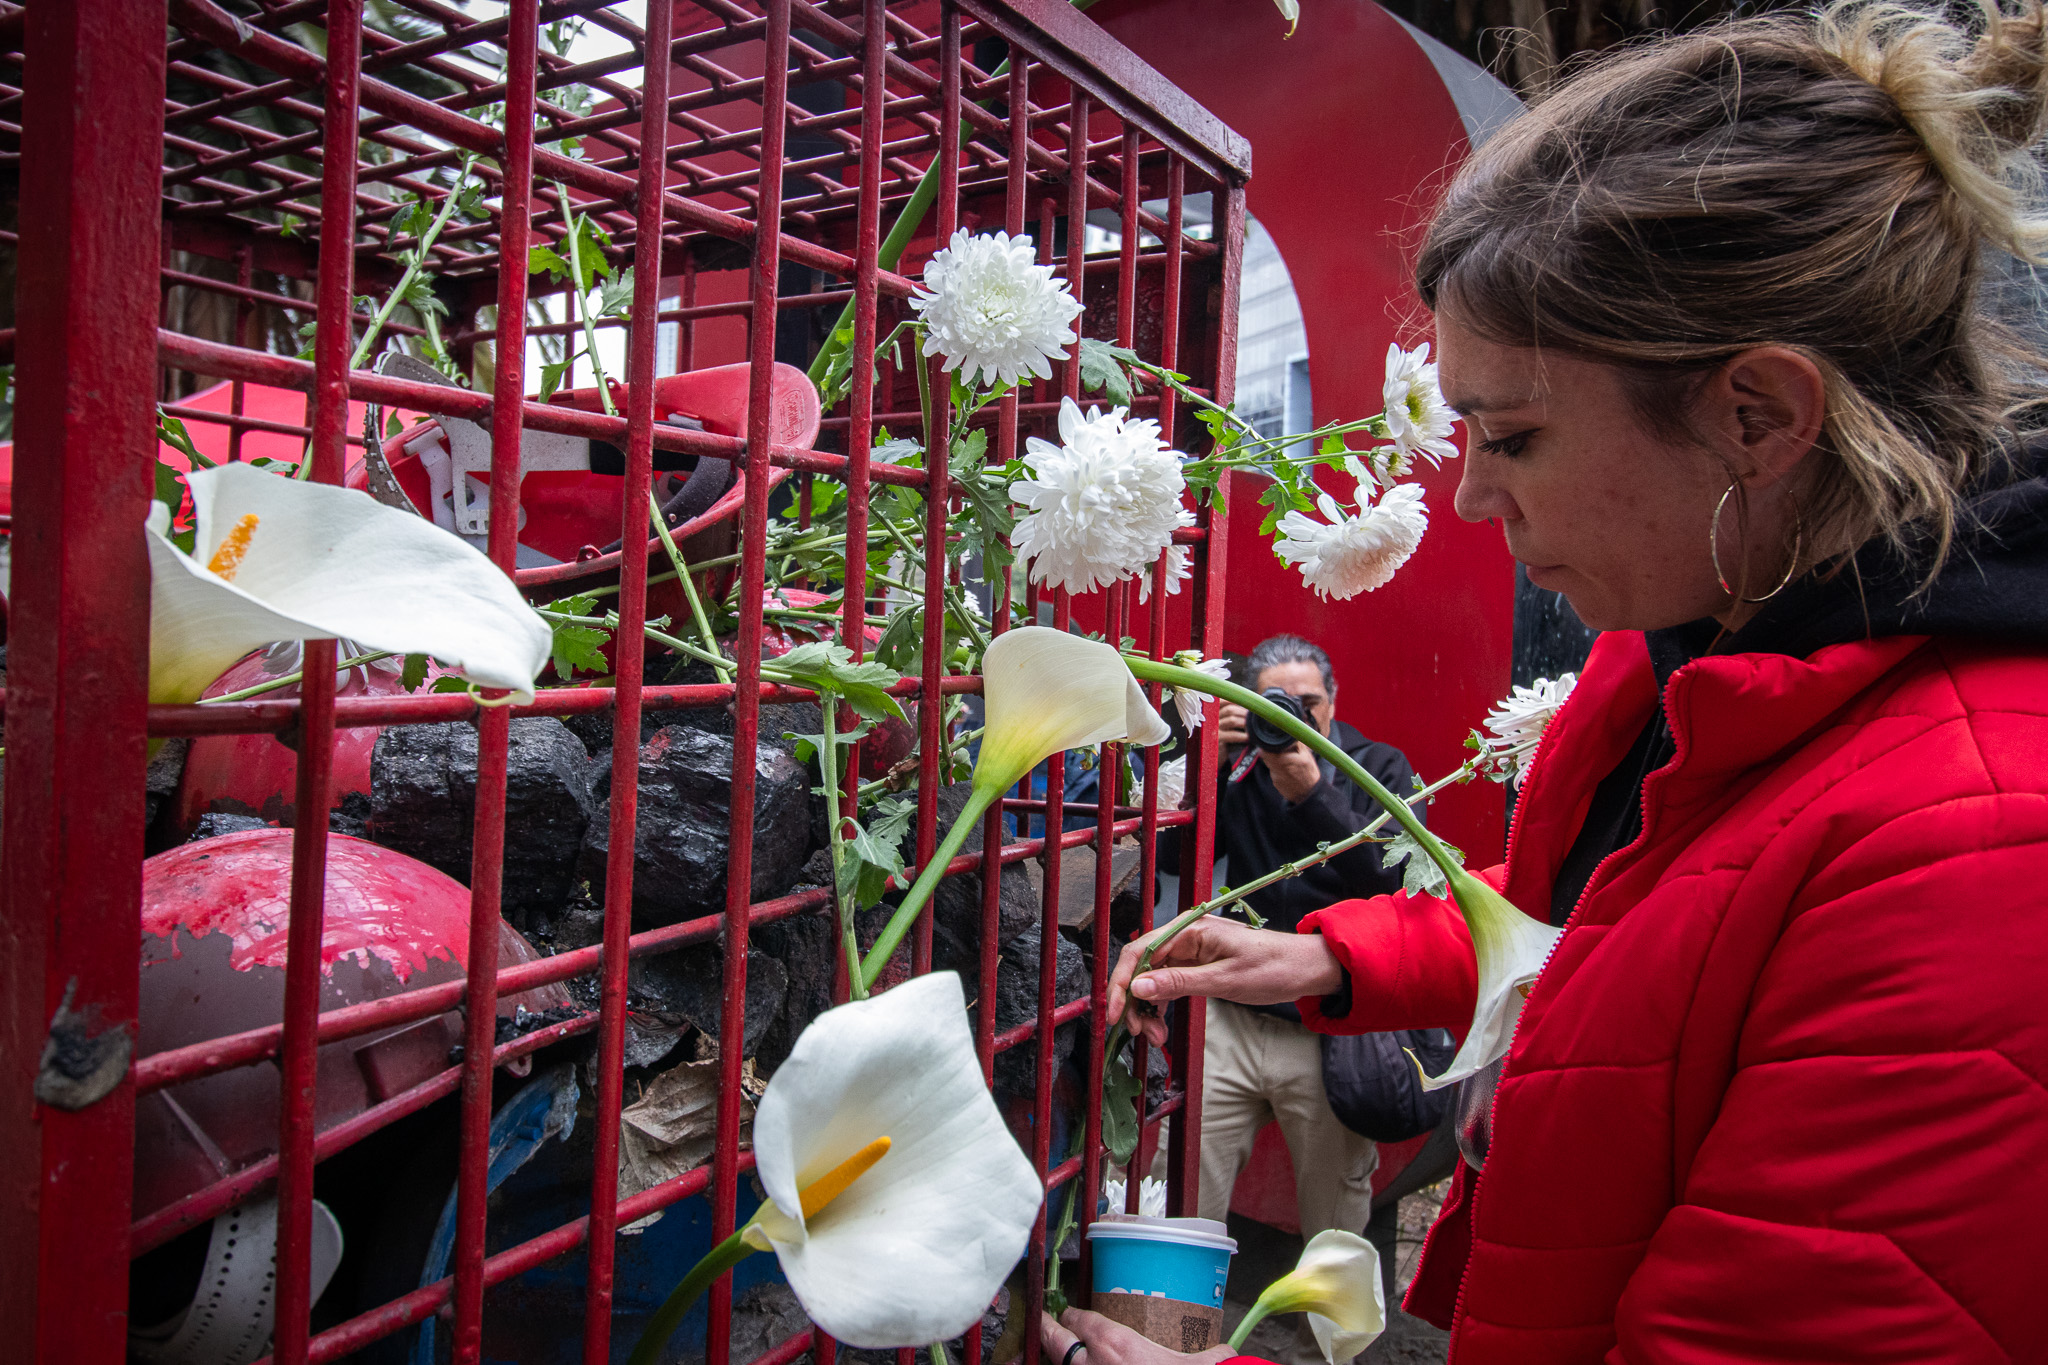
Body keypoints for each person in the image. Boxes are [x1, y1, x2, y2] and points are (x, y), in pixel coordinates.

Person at [1047, 2, 2048, 1361]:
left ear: (1758, 415)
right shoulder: (1680, 655)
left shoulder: (1980, 851)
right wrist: (1329, 954)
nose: (1465, 497)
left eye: (1512, 436)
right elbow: (1615, 951)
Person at [1155, 635, 1418, 1365]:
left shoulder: (1380, 769)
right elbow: (1174, 858)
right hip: (1234, 1021)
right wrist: (1204, 766)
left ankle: (1325, 1355)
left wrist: (1312, 790)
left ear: (1333, 702)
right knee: (1184, 1195)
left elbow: (1392, 885)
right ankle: (1175, 1346)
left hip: (1330, 1030)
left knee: (1335, 1228)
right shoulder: (1237, 768)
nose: (1293, 719)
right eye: (1276, 706)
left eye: (1307, 706)